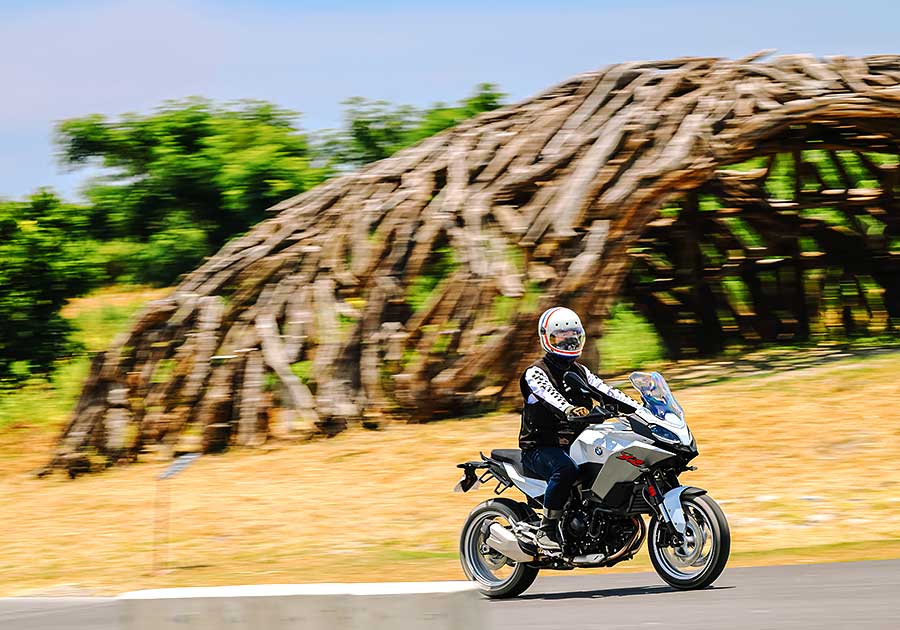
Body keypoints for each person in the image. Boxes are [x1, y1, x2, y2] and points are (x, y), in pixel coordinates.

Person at [519, 306, 641, 552]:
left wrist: (641, 409)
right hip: (541, 447)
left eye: (573, 336)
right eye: (561, 338)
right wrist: (569, 410)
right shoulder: (536, 373)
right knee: (565, 469)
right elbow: (548, 395)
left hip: (577, 443)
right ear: (547, 339)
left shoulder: (581, 372)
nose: (568, 342)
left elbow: (608, 391)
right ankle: (547, 530)